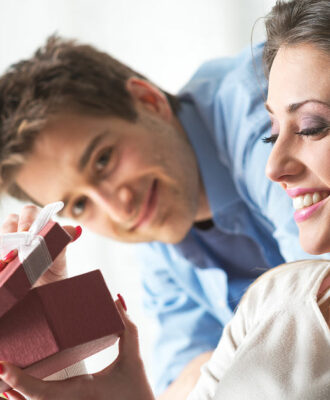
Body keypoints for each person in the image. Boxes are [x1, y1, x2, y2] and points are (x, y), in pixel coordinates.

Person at [0, 2, 329, 399]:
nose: (119, 208)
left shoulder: (261, 101)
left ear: (148, 101)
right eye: (80, 205)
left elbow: (314, 303)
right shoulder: (161, 236)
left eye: (104, 160)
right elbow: (182, 386)